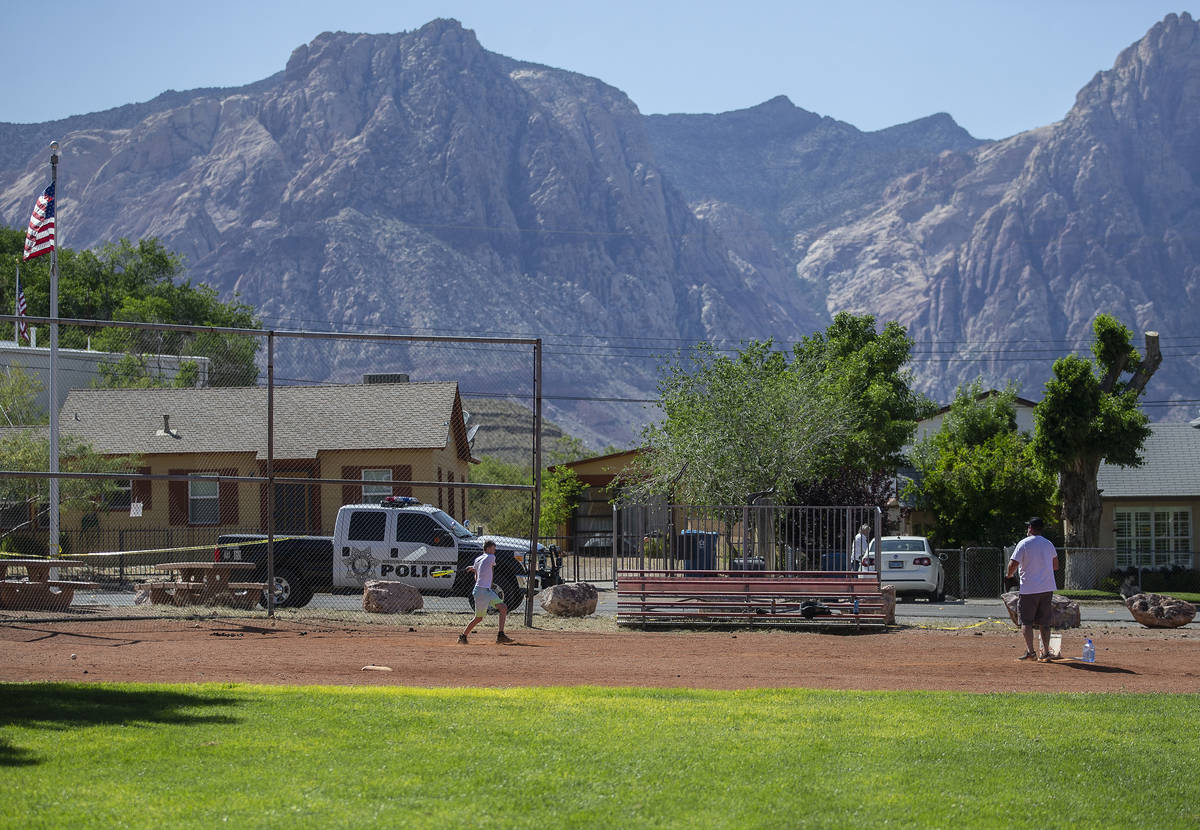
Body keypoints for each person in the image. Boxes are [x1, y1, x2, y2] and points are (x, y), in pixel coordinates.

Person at [1006, 516, 1059, 662]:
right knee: (1045, 622)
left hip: (1029, 589)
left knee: (1026, 622)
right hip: (1047, 588)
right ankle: (1046, 652)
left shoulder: (1024, 543)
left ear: (1030, 528)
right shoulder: (1049, 544)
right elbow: (1055, 566)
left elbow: (1012, 564)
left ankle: (1031, 652)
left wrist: (1009, 576)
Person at [459, 540, 514, 645]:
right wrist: (475, 569)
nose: (495, 551)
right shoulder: (491, 557)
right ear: (488, 548)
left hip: (484, 590)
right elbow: (490, 568)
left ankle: (500, 635)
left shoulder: (477, 559)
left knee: (503, 607)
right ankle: (463, 636)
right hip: (482, 591)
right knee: (479, 618)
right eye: (494, 548)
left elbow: (477, 577)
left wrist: (474, 569)